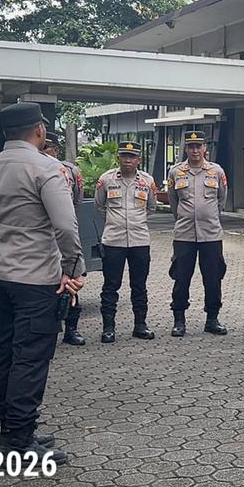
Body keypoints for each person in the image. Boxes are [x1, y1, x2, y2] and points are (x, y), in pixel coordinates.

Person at [0, 102, 85, 462]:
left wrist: (8, 242)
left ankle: (11, 429)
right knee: (31, 359)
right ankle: (18, 442)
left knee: (6, 354)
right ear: (39, 130)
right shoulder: (47, 168)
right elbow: (66, 226)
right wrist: (73, 268)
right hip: (37, 279)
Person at [93, 140, 157, 343]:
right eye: (124, 156)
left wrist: (136, 222)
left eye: (132, 156)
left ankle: (140, 325)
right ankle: (108, 328)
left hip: (139, 240)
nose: (128, 160)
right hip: (114, 240)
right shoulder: (106, 179)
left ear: (139, 159)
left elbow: (151, 207)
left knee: (139, 285)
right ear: (118, 157)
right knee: (111, 285)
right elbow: (100, 205)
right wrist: (115, 222)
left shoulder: (147, 181)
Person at [166, 131, 228, 337]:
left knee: (213, 278)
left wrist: (208, 217)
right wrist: (184, 218)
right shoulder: (176, 172)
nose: (194, 150)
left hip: (210, 235)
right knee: (181, 278)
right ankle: (179, 320)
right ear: (185, 148)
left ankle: (212, 319)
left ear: (205, 148)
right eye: (191, 146)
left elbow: (221, 200)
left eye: (198, 146)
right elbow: (173, 202)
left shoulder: (216, 171)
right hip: (184, 235)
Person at [42, 133, 87, 346]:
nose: (44, 152)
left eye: (48, 148)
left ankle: (72, 329)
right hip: (43, 237)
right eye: (42, 148)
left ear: (56, 150)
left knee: (72, 282)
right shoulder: (34, 169)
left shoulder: (70, 170)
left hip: (65, 234)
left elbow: (76, 202)